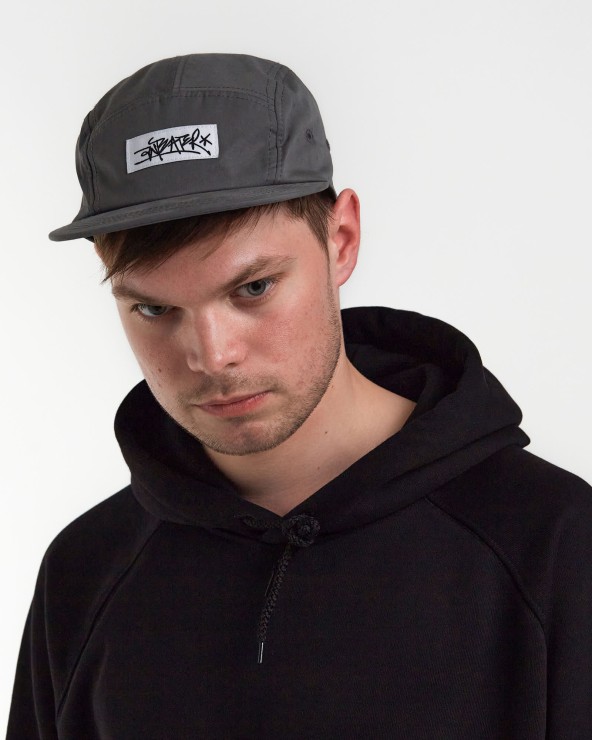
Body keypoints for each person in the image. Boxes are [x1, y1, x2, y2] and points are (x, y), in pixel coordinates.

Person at [7, 53, 592, 739]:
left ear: (341, 240)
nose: (212, 356)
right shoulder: (86, 573)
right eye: (154, 310)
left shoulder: (554, 546)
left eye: (253, 288)